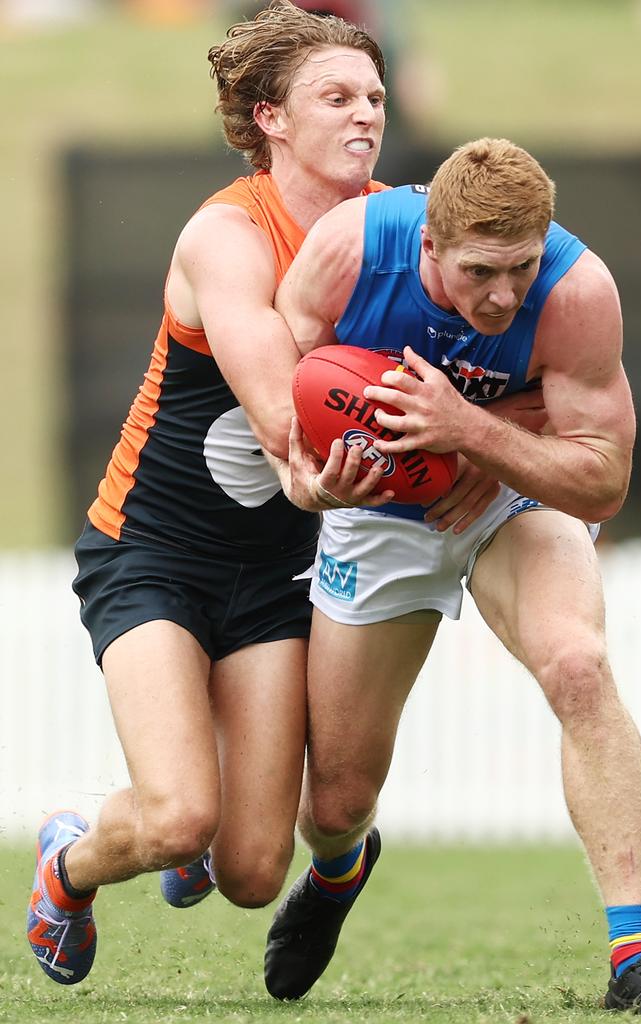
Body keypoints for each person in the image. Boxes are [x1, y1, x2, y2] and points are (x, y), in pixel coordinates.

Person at [262, 138, 641, 1015]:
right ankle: (339, 870)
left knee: (579, 666)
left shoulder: (578, 290)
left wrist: (473, 433)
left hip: (514, 494)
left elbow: (602, 474)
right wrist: (309, 479)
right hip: (381, 503)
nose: (505, 294)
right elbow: (279, 392)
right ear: (430, 247)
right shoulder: (349, 249)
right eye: (481, 272)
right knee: (334, 802)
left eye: (521, 267)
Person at [25, 0, 398, 986]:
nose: (365, 113)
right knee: (181, 813)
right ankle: (67, 861)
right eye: (336, 96)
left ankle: (300, 850)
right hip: (150, 550)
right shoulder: (226, 238)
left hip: (275, 572)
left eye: (374, 95)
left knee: (249, 872)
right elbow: (282, 411)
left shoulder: (401, 232)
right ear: (271, 117)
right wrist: (315, 478)